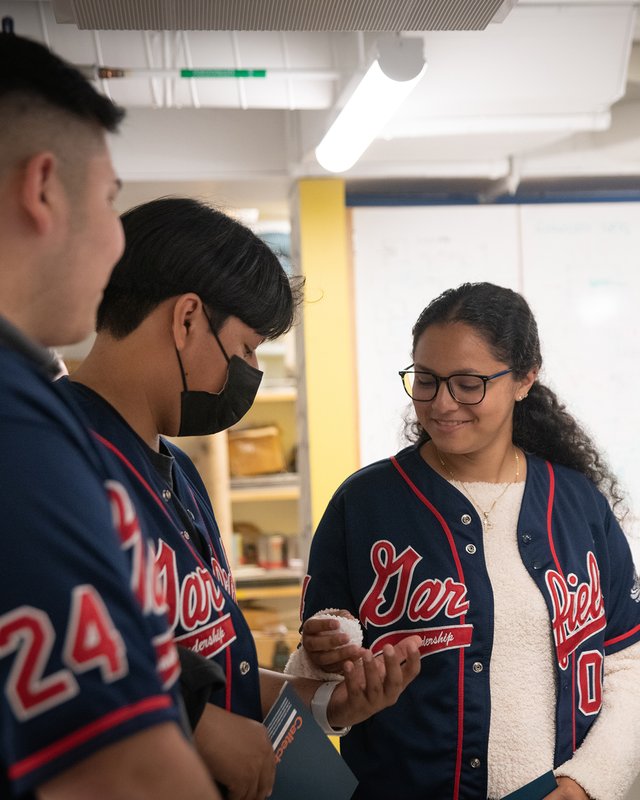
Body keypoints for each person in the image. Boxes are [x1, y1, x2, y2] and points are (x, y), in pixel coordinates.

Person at [58, 196, 422, 800]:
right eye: (249, 348)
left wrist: (328, 701)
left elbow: (214, 662)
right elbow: (50, 648)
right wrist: (193, 720)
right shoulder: (54, 459)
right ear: (187, 319)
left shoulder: (176, 470)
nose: (251, 371)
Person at [297, 282, 640, 800]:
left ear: (525, 379)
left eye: (468, 383)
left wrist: (582, 786)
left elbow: (627, 664)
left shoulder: (578, 504)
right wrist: (324, 653)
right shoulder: (365, 503)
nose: (442, 403)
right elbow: (314, 684)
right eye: (427, 381)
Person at [0, 32, 223, 800]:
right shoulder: (18, 421)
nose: (115, 237)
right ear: (43, 189)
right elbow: (120, 773)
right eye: (109, 198)